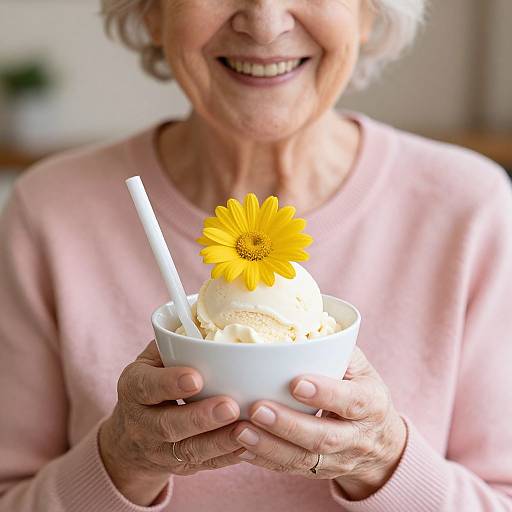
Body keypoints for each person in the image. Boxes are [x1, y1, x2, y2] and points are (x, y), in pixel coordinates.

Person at [1, 0, 511, 510]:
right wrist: (120, 462)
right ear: (152, 12)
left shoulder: (471, 209)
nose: (265, 26)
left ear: (369, 12)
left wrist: (383, 461)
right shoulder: (49, 210)